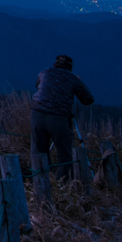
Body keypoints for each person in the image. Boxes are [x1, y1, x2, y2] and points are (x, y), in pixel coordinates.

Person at [31, 54, 95, 182]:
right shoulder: (72, 79)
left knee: (39, 150)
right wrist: (78, 82)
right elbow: (88, 99)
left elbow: (38, 85)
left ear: (56, 64)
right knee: (64, 153)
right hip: (59, 118)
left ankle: (39, 181)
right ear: (70, 67)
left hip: (37, 114)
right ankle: (63, 184)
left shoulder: (44, 72)